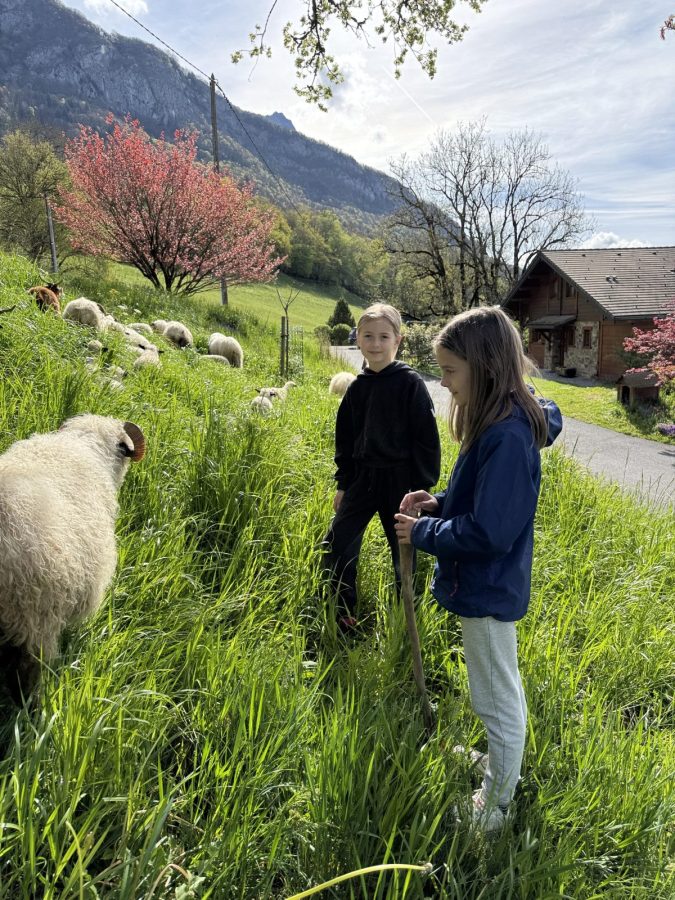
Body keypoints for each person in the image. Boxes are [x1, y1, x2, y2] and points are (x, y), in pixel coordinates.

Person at [394, 306, 562, 833]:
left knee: (496, 698)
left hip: (488, 589)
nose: (443, 382)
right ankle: (499, 766)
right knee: (493, 689)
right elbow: (480, 506)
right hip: (485, 585)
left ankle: (495, 806)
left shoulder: (508, 437)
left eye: (449, 371)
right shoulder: (497, 422)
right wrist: (440, 504)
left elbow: (490, 533)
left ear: (484, 367)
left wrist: (421, 534)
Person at [322, 302, 441, 631]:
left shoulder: (410, 384)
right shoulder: (356, 389)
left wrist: (422, 488)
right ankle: (343, 614)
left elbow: (427, 440)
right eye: (368, 336)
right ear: (357, 339)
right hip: (362, 479)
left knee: (403, 549)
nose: (375, 344)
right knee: (337, 542)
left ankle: (406, 618)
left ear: (397, 341)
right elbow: (344, 442)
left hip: (400, 482)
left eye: (383, 337)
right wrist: (344, 484)